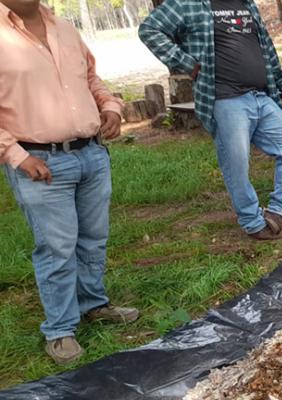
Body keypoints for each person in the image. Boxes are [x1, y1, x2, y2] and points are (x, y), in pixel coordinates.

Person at [0, 0, 139, 364]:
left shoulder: (63, 27)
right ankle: (60, 329)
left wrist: (110, 106)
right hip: (38, 161)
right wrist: (17, 156)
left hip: (91, 154)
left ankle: (93, 304)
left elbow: (90, 77)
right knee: (57, 249)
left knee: (93, 240)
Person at [139, 0, 282, 239]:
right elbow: (149, 29)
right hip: (226, 98)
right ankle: (252, 222)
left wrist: (281, 84)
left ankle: (278, 212)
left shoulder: (247, 4)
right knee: (236, 164)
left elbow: (266, 48)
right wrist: (184, 62)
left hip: (261, 95)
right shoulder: (189, 4)